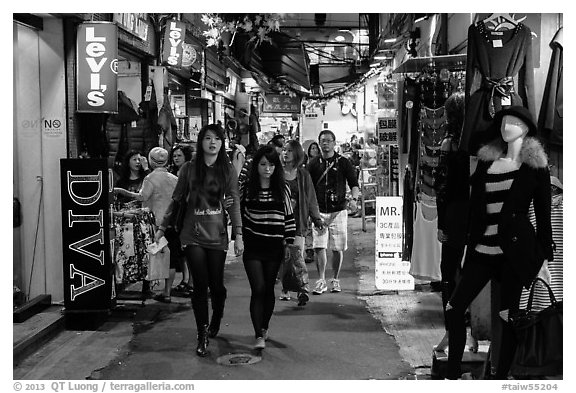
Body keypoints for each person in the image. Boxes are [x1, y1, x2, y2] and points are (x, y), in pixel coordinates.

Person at [445, 106, 554, 380]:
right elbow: (473, 207)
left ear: (527, 128)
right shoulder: (486, 161)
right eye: (504, 120)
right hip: (482, 250)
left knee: (510, 317)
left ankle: (500, 377)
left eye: (515, 121)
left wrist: (543, 255)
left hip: (515, 253)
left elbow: (543, 214)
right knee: (454, 307)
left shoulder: (534, 167)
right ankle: (452, 370)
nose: (507, 125)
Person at [156, 124, 244, 357]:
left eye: (217, 138)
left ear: (222, 142)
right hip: (191, 233)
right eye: (207, 138)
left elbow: (234, 201)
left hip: (217, 235)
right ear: (201, 141)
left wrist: (239, 234)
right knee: (200, 284)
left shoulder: (227, 170)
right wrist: (162, 227)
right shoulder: (188, 168)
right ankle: (202, 332)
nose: (212, 142)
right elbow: (176, 200)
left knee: (216, 284)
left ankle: (217, 314)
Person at [239, 145, 296, 349]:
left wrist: (289, 242)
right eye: (263, 164)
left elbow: (289, 217)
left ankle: (264, 327)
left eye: (271, 164)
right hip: (253, 245)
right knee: (258, 288)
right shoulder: (246, 188)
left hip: (274, 246)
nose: (267, 168)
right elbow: (238, 213)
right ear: (256, 166)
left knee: (269, 288)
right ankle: (258, 335)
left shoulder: (283, 188)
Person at [433, 92, 471, 351]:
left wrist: (441, 225)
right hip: (479, 212)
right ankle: (476, 331)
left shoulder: (449, 144)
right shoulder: (479, 140)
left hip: (456, 214)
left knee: (449, 272)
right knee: (475, 271)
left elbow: (442, 186)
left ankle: (451, 332)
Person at [114, 147, 178, 303]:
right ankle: (167, 292)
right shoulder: (174, 178)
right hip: (172, 222)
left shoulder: (150, 179)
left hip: (155, 223)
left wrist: (122, 191)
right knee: (171, 258)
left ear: (150, 160)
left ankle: (149, 287)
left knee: (151, 256)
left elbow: (142, 197)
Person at [306, 130, 360, 294]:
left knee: (338, 248)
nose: (325, 143)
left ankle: (335, 279)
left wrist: (354, 199)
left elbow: (354, 183)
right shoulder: (313, 164)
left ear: (334, 142)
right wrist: (309, 210)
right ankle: (321, 280)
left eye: (329, 140)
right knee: (319, 246)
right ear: (319, 142)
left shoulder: (344, 162)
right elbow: (307, 187)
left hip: (339, 210)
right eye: (322, 140)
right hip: (319, 211)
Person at [279, 140, 324, 305]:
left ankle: (302, 289)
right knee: (283, 258)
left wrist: (316, 218)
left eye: (290, 150)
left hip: (298, 222)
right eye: (284, 150)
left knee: (297, 257)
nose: (286, 153)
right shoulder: (276, 173)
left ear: (297, 153)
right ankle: (285, 288)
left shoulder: (303, 174)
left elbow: (310, 198)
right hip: (278, 222)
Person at [114, 150, 152, 297]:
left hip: (142, 220)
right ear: (128, 162)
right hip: (125, 221)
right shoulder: (121, 181)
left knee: (145, 253)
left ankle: (146, 286)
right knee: (124, 253)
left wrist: (147, 167)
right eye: (134, 159)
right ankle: (120, 284)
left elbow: (149, 190)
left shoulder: (146, 178)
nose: (137, 162)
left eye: (139, 159)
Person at [168, 144, 194, 297]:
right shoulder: (172, 172)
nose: (176, 158)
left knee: (189, 250)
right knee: (181, 252)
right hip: (177, 213)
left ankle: (191, 281)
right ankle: (185, 279)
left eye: (179, 155)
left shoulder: (191, 173)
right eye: (175, 155)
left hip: (188, 214)